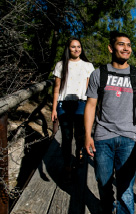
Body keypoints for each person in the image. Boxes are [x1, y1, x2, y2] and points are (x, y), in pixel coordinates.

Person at [84, 31, 136, 214]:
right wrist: (88, 135)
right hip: (103, 136)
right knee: (103, 182)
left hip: (129, 137)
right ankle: (106, 208)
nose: (126, 48)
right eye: (121, 44)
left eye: (128, 45)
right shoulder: (99, 74)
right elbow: (90, 105)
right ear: (111, 48)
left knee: (126, 188)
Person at [51, 37, 95, 180]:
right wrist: (53, 108)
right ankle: (67, 165)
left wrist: (92, 107)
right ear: (68, 49)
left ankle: (79, 154)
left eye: (79, 47)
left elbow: (90, 89)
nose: (76, 49)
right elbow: (56, 89)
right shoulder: (60, 65)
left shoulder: (88, 66)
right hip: (64, 104)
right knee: (66, 136)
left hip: (81, 104)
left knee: (80, 134)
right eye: (73, 47)